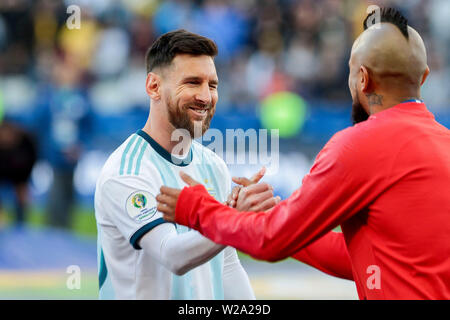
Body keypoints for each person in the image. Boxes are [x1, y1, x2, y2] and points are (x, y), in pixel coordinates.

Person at [156, 8, 450, 300]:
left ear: (362, 79)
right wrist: (281, 220)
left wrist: (195, 208)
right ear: (423, 77)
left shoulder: (360, 145)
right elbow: (374, 262)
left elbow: (269, 241)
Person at [94, 30, 278, 299]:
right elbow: (172, 254)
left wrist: (231, 220)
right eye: (193, 82)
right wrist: (234, 218)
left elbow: (226, 266)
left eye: (212, 85)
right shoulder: (126, 172)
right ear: (153, 87)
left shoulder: (213, 165)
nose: (206, 97)